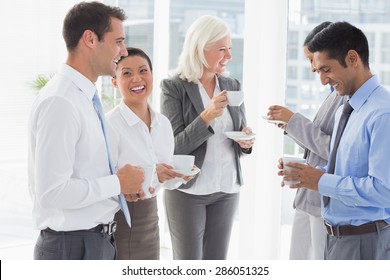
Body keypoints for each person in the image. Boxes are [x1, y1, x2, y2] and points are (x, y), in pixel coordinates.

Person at [28, 1, 145, 260]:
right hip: (71, 248)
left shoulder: (85, 97)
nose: (123, 51)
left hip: (96, 241)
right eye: (118, 41)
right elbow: (52, 192)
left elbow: (83, 171)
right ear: (90, 39)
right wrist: (116, 182)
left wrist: (117, 186)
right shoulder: (61, 101)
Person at [280, 21, 390, 260]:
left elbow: (384, 191)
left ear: (352, 59)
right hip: (336, 238)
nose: (322, 80)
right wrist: (307, 174)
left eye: (326, 69)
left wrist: (321, 181)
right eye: (318, 71)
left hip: (365, 242)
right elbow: (346, 169)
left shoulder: (383, 114)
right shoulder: (347, 108)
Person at [160, 15, 255, 260]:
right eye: (222, 49)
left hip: (227, 187)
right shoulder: (174, 87)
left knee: (217, 262)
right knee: (188, 264)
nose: (229, 56)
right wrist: (207, 115)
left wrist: (246, 141)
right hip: (188, 191)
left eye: (230, 49)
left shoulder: (231, 84)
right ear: (200, 49)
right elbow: (175, 146)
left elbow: (240, 129)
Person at [267, 22, 347, 260]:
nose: (313, 68)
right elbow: (319, 143)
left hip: (322, 201)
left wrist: (294, 121)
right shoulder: (333, 94)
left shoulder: (347, 97)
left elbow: (332, 148)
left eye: (314, 60)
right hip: (308, 198)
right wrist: (291, 129)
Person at [106, 47, 192, 259]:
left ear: (152, 75)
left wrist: (179, 175)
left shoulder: (163, 123)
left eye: (143, 70)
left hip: (151, 217)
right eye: (126, 73)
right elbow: (108, 179)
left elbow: (164, 179)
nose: (137, 78)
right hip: (120, 217)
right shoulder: (110, 124)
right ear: (115, 82)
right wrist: (156, 173)